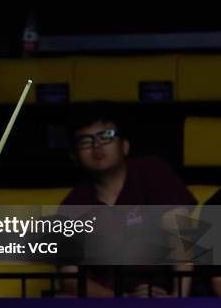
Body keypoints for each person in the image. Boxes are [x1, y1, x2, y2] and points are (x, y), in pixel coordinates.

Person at [58, 104, 197, 298]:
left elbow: (182, 238)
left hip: (163, 295)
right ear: (74, 156)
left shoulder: (154, 173)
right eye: (85, 141)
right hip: (106, 302)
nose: (96, 146)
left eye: (105, 136)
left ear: (124, 146)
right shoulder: (73, 205)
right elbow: (70, 278)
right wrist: (123, 300)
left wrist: (177, 298)